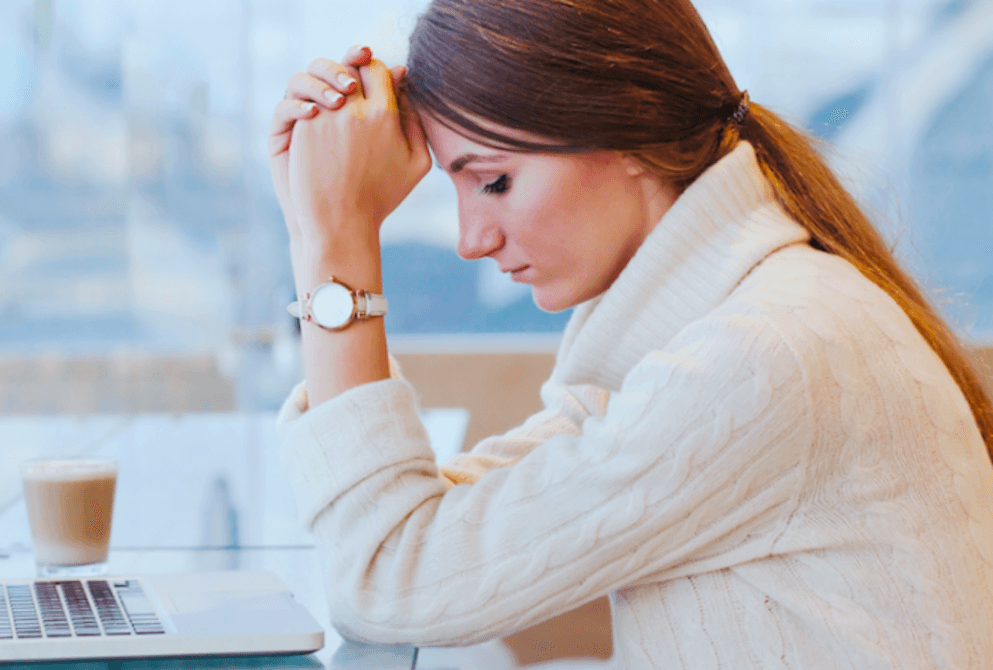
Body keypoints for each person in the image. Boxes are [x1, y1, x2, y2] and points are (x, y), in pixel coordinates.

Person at [266, 0, 993, 666]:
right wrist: (314, 225)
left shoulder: (761, 358)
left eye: (493, 182)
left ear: (631, 139)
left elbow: (393, 578)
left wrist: (335, 240)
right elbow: (423, 539)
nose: (470, 239)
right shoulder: (715, 327)